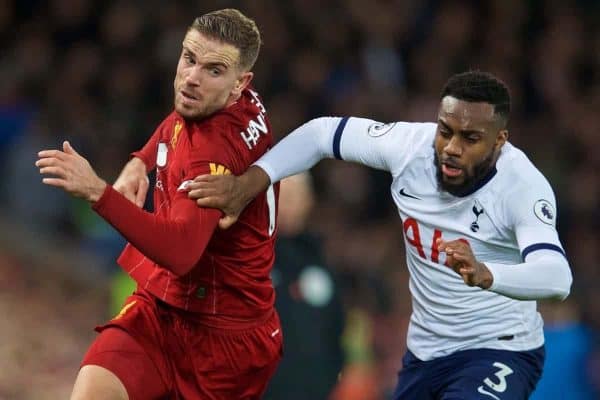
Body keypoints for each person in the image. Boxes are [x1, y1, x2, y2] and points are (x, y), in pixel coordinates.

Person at [186, 71, 573, 399]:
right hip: (426, 352)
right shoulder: (410, 149)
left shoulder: (522, 186)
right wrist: (250, 183)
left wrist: (488, 274)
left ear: (499, 141)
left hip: (499, 349)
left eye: (470, 139)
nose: (451, 148)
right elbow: (322, 134)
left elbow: (557, 277)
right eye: (445, 131)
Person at [36, 9, 282, 400]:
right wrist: (142, 160)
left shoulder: (212, 157)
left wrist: (98, 192)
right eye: (189, 59)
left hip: (224, 343)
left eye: (213, 71)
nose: (192, 78)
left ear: (240, 83)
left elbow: (181, 251)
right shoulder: (239, 102)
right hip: (162, 310)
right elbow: (180, 115)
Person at [262, 173, 345, 400]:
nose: (288, 203)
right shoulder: (249, 259)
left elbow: (336, 330)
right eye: (281, 194)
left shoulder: (320, 260)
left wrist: (328, 381)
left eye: (295, 195)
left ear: (309, 201)